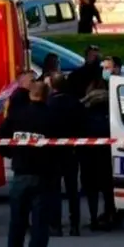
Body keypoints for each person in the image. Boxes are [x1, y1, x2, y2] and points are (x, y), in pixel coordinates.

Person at [0, 82, 59, 247]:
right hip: (43, 176)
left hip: (20, 174)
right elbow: (61, 147)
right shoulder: (51, 117)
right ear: (46, 95)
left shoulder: (17, 115)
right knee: (39, 226)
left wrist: (12, 154)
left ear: (31, 95)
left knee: (17, 224)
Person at [46, 74, 86, 236]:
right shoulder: (75, 103)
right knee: (72, 190)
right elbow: (83, 124)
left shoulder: (48, 104)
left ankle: (55, 225)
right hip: (71, 150)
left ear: (53, 86)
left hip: (53, 152)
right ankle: (74, 224)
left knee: (54, 190)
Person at [81, 79, 117, 230]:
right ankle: (110, 215)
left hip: (88, 154)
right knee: (108, 188)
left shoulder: (84, 106)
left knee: (91, 190)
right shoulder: (113, 105)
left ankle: (94, 217)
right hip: (107, 153)